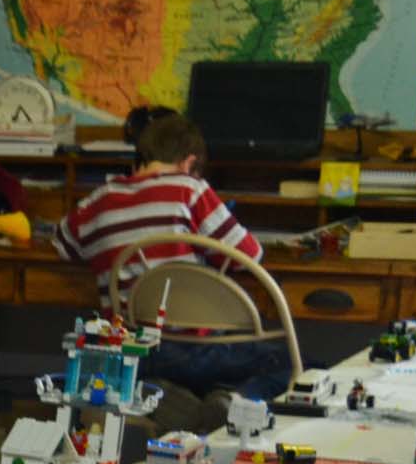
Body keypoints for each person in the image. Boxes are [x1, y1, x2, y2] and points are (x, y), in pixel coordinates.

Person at [53, 106, 284, 394]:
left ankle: (178, 400)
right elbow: (250, 255)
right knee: (294, 365)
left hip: (128, 353)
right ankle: (235, 402)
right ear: (190, 163)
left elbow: (63, 245)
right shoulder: (191, 190)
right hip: (194, 352)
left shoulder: (99, 198)